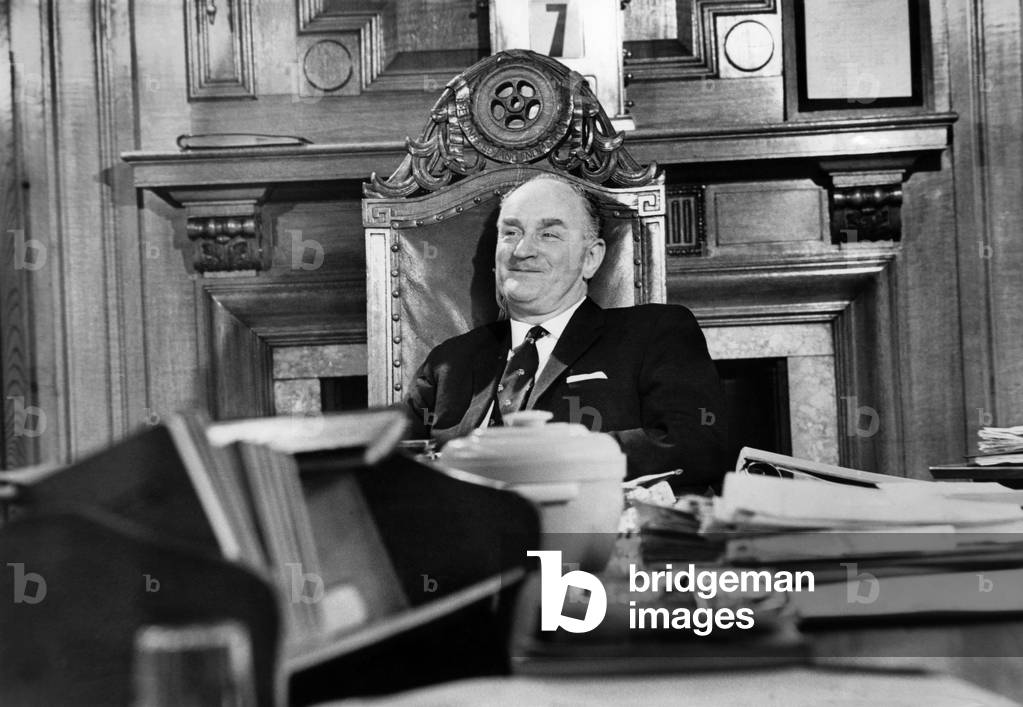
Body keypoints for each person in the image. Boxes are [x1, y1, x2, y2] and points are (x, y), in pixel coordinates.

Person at [405, 174, 727, 490]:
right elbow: (394, 466)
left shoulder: (654, 333)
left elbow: (697, 444)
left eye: (549, 235)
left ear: (591, 258)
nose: (522, 250)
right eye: (511, 233)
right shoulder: (449, 362)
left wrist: (552, 460)